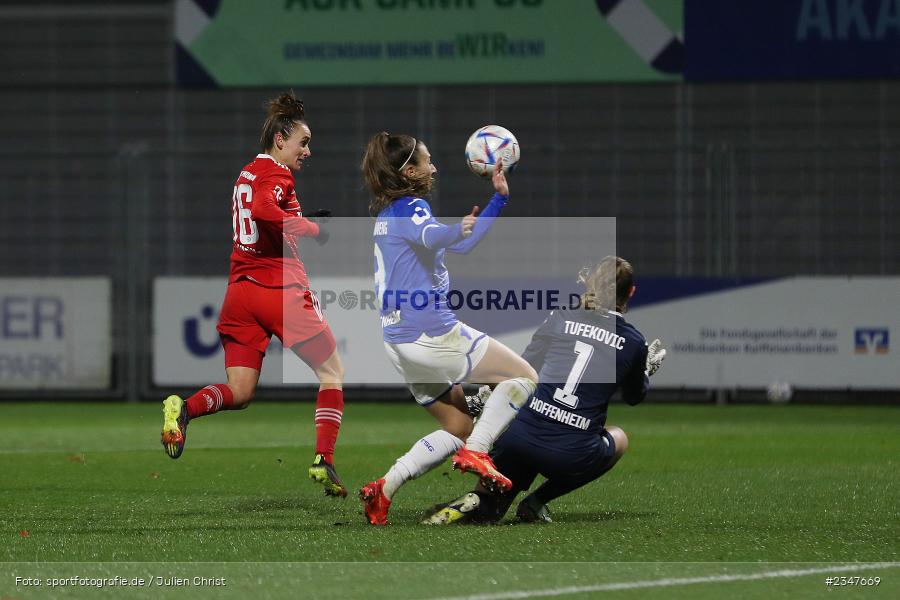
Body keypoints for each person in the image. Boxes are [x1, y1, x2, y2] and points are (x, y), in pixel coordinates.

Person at [160, 91, 348, 498]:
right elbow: (265, 211)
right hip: (278, 288)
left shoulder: (246, 172)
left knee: (241, 393)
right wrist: (312, 229)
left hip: (239, 294)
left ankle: (184, 409)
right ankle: (324, 458)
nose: (308, 151)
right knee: (332, 373)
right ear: (280, 139)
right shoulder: (278, 174)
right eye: (304, 142)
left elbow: (261, 213)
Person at [358, 132, 539, 525]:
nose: (434, 167)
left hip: (398, 342)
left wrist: (498, 200)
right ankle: (477, 450)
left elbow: (458, 246)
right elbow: (440, 236)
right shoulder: (411, 208)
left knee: (457, 424)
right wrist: (457, 229)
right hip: (432, 332)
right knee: (524, 377)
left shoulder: (387, 216)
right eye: (426, 161)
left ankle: (383, 490)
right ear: (409, 170)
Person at [422, 256, 667, 525]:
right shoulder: (633, 341)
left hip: (520, 436)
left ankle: (477, 500)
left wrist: (487, 396)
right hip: (569, 452)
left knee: (491, 507)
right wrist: (644, 371)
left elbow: (523, 368)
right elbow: (634, 397)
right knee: (619, 438)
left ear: (591, 283)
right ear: (631, 292)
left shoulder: (561, 316)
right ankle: (537, 502)